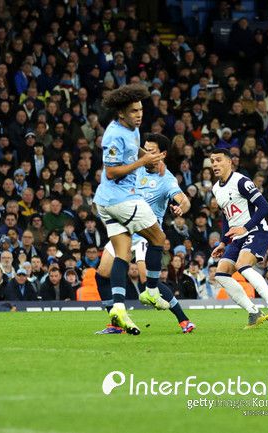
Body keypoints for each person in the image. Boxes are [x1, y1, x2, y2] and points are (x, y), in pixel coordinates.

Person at [97, 133, 195, 334]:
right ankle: (115, 323)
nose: (145, 153)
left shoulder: (166, 180)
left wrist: (181, 207)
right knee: (102, 274)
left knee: (148, 282)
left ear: (162, 154)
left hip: (146, 234)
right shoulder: (137, 166)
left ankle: (183, 320)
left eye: (151, 151)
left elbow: (183, 200)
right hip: (124, 229)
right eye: (145, 149)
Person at [92, 84, 167, 334]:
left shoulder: (131, 129)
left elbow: (134, 148)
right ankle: (152, 291)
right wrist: (143, 161)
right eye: (134, 111)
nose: (139, 115)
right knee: (158, 238)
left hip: (107, 202)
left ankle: (118, 309)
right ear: (121, 113)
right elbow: (111, 172)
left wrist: (149, 158)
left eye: (141, 110)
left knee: (122, 254)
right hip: (122, 199)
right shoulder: (113, 135)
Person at [209, 148, 268, 328]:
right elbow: (226, 217)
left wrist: (245, 227)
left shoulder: (241, 181)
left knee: (242, 265)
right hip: (237, 237)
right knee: (221, 274)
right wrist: (223, 242)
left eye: (218, 160)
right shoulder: (216, 188)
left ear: (229, 162)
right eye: (212, 161)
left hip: (256, 231)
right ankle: (254, 312)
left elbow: (264, 207)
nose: (215, 164)